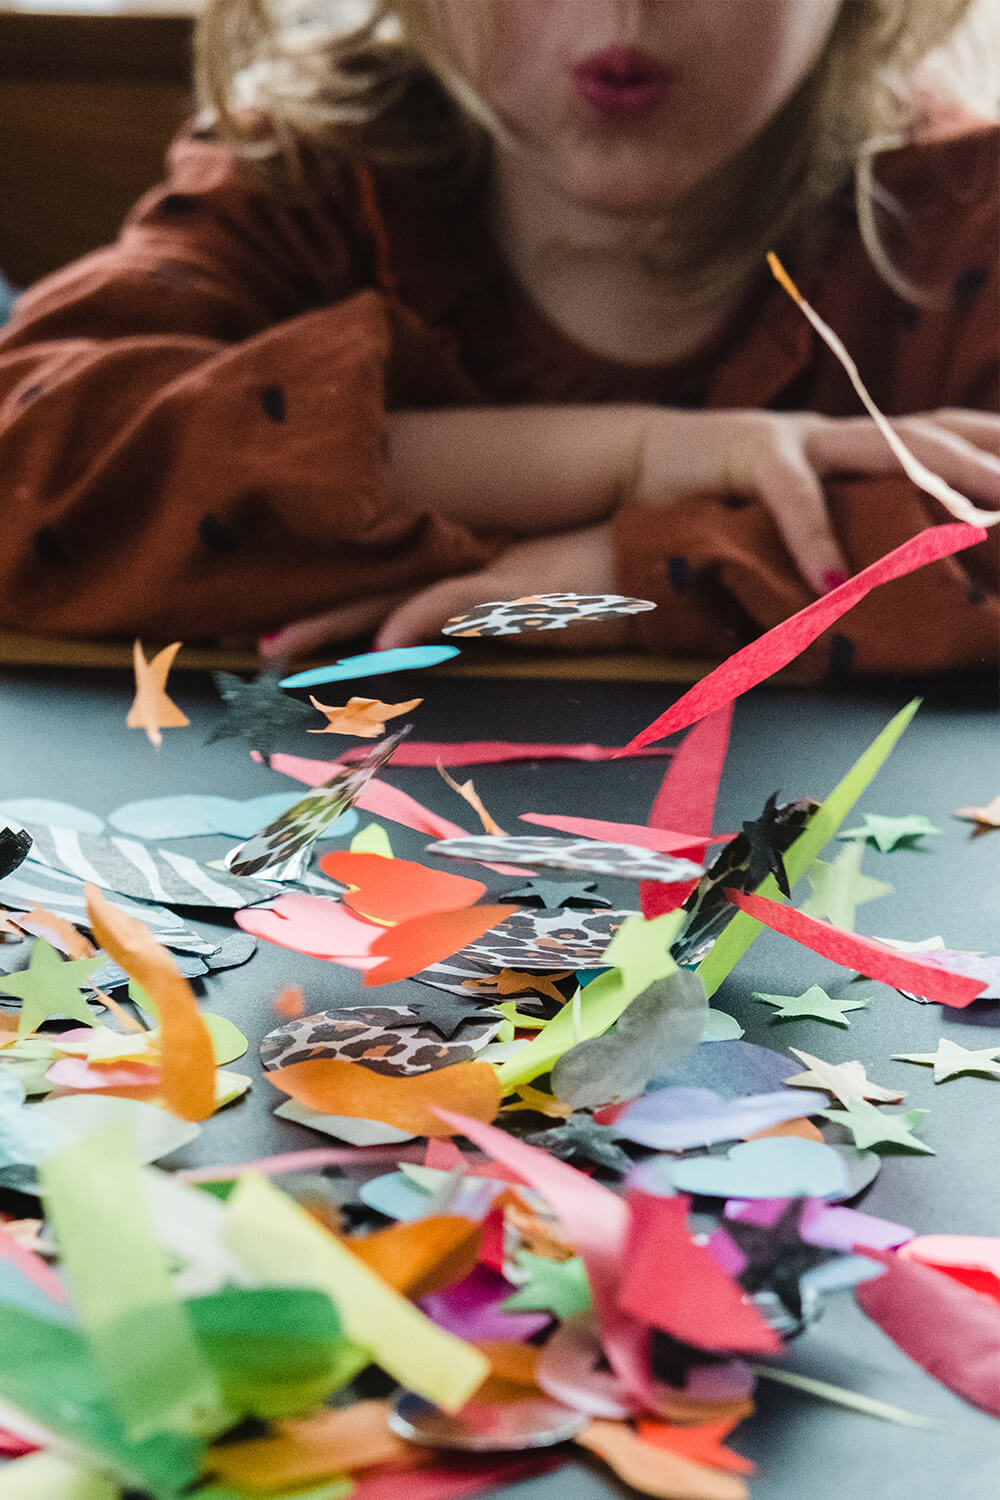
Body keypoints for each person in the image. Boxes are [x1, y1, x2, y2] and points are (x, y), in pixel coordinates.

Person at [0, 0, 996, 675]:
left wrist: (614, 576)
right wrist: (642, 459)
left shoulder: (962, 219)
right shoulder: (302, 184)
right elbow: (37, 464)